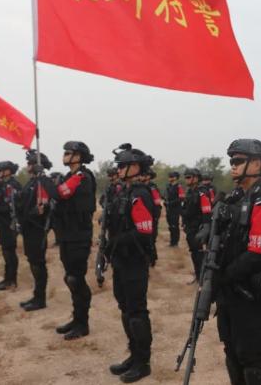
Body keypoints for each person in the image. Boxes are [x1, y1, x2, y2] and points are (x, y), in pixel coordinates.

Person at [214, 139, 261, 385]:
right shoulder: (236, 198)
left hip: (249, 293)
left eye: (238, 161)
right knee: (232, 352)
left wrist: (223, 275)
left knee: (251, 357)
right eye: (231, 161)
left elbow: (258, 253)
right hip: (228, 292)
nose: (232, 165)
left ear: (256, 164)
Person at [106, 144, 156, 383]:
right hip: (121, 260)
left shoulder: (140, 194)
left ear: (135, 167)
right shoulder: (123, 192)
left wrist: (116, 241)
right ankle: (133, 354)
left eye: (123, 166)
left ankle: (143, 362)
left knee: (136, 313)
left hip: (135, 260)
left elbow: (145, 231)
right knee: (125, 310)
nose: (119, 169)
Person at [53, 141, 96, 340]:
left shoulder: (82, 176)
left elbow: (62, 193)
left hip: (79, 236)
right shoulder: (69, 176)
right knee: (69, 278)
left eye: (69, 153)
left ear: (79, 156)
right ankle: (76, 318)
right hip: (67, 235)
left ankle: (83, 323)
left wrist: (48, 185)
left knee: (76, 279)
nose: (65, 155)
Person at [18, 150, 55, 311]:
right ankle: (36, 295)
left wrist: (37, 211)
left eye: (30, 163)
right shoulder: (31, 182)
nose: (27, 166)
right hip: (28, 228)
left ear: (36, 165)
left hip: (37, 229)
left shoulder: (43, 181)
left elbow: (46, 204)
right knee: (33, 262)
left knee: (38, 264)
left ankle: (40, 299)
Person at [0, 161, 22, 291]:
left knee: (9, 252)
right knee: (5, 251)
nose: (0, 173)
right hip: (2, 223)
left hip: (9, 223)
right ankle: (7, 278)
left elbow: (14, 204)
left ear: (9, 171)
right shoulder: (2, 184)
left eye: (2, 170)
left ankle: (12, 280)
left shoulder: (13, 184)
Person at [181, 167, 212, 283]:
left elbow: (206, 210)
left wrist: (205, 227)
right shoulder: (189, 191)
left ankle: (203, 278)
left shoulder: (202, 192)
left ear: (196, 178)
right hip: (190, 227)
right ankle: (198, 275)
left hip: (198, 227)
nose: (186, 179)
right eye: (185, 177)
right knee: (194, 253)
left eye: (189, 177)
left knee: (200, 254)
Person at [140, 168, 162, 266]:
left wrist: (155, 217)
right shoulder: (141, 186)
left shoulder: (152, 188)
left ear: (149, 176)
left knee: (151, 239)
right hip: (143, 216)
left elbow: (157, 203)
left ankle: (152, 259)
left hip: (152, 216)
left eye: (144, 175)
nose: (142, 177)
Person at [164, 171, 184, 247]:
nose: (170, 178)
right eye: (169, 177)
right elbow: (166, 196)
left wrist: (171, 203)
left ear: (176, 178)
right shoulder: (168, 186)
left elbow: (181, 198)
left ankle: (175, 242)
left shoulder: (179, 186)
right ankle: (172, 241)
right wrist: (165, 202)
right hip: (169, 209)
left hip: (175, 209)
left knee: (175, 225)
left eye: (172, 177)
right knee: (170, 226)